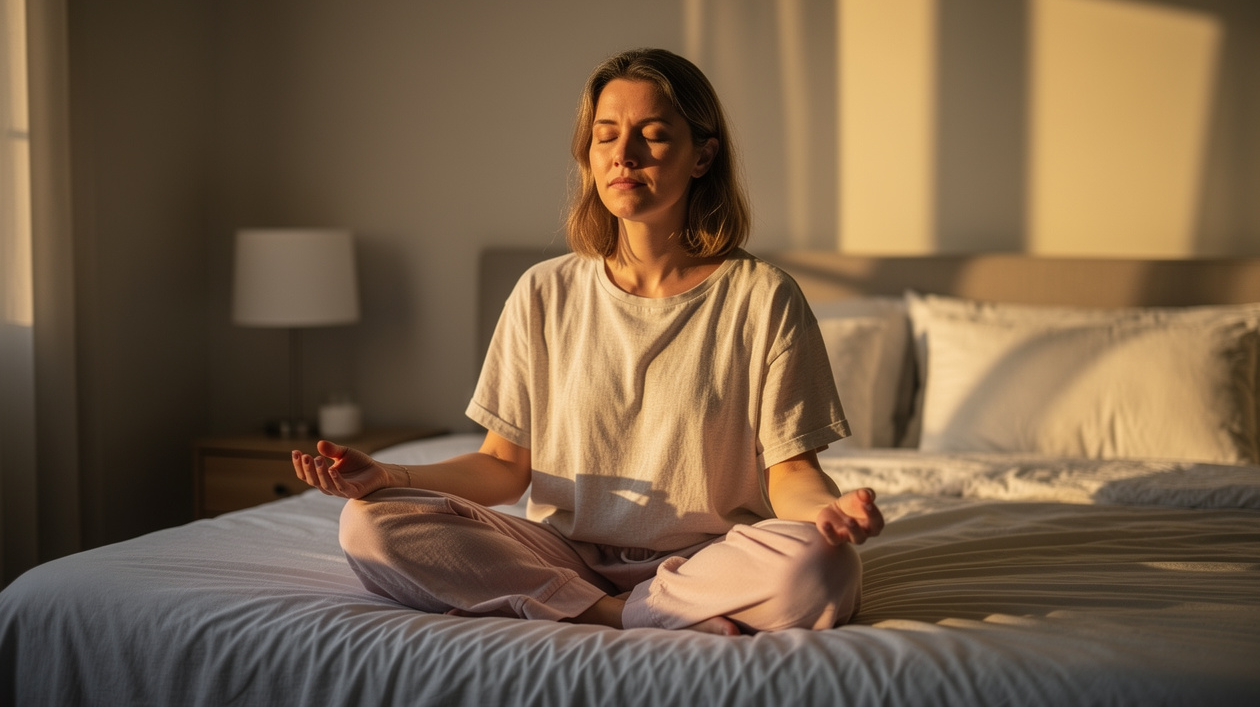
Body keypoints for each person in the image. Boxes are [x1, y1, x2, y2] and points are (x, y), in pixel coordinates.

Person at [293, 48, 883, 636]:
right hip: (562, 554)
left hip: (712, 558)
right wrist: (389, 477)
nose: (624, 154)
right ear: (590, 153)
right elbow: (502, 466)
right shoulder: (543, 291)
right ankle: (627, 612)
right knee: (367, 524)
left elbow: (791, 473)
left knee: (825, 567)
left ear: (703, 155)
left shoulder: (763, 297)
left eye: (652, 135)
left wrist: (826, 512)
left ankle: (619, 605)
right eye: (606, 136)